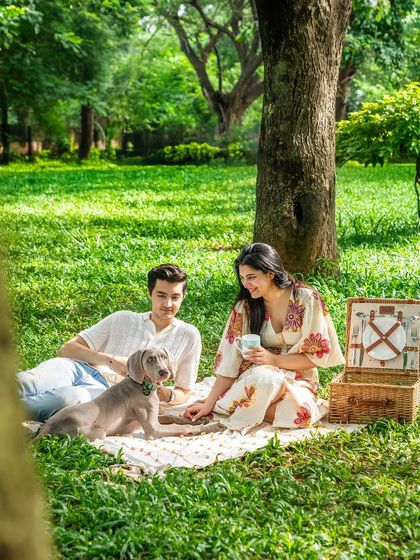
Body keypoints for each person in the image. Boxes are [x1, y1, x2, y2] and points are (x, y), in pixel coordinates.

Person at [184, 243, 345, 432]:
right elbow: (230, 361)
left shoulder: (306, 299)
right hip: (258, 378)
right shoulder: (246, 307)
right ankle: (230, 404)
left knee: (302, 415)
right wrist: (209, 403)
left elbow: (317, 357)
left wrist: (274, 359)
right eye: (243, 278)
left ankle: (235, 406)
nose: (246, 284)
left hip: (299, 380)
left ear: (270, 273)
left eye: (252, 277)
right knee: (266, 377)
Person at [17, 264, 201, 422]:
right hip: (79, 369)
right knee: (27, 381)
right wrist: (111, 361)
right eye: (161, 295)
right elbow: (67, 350)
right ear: (150, 293)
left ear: (183, 297)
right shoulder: (123, 318)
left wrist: (167, 395)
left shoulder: (189, 335)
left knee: (65, 398)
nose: (168, 304)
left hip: (111, 394)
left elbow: (184, 390)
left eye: (175, 297)